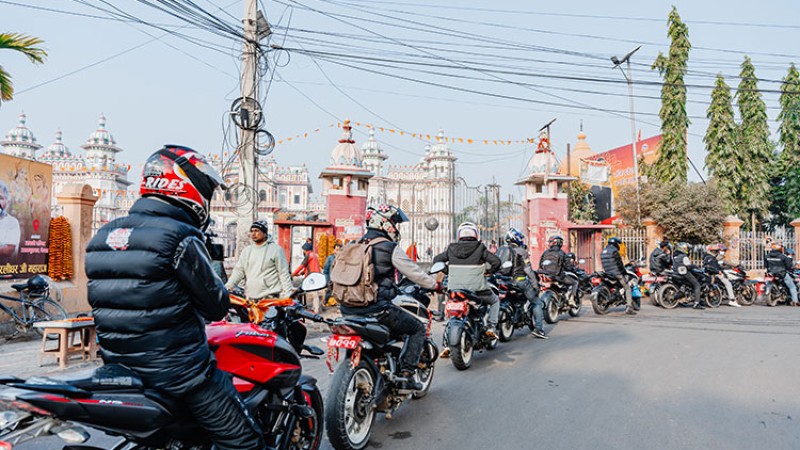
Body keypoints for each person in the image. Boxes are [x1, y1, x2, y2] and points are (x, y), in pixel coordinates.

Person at [85, 145, 266, 450]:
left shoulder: (103, 235)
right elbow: (215, 306)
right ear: (187, 184)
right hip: (178, 372)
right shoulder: (180, 236)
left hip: (117, 367)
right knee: (245, 441)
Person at [338, 204, 440, 390]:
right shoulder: (389, 248)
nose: (396, 228)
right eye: (394, 223)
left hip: (347, 309)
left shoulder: (354, 245)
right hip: (377, 309)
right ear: (385, 224)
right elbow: (414, 273)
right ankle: (407, 375)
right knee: (416, 329)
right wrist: (435, 285)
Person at [434, 222, 502, 339]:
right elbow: (496, 262)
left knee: (451, 310)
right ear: (476, 234)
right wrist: (489, 272)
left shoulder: (451, 248)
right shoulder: (480, 248)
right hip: (478, 290)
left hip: (455, 289)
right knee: (495, 301)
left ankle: (447, 340)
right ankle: (491, 326)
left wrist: (448, 271)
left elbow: (436, 260)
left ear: (459, 234)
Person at [226, 220, 293, 301]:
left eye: (257, 231)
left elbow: (283, 273)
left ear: (265, 233)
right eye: (251, 231)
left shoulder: (276, 250)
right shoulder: (247, 251)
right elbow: (238, 271)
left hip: (270, 298)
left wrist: (287, 295)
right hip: (251, 297)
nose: (253, 234)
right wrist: (228, 287)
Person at [503, 227, 547, 339]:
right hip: (520, 281)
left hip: (504, 282)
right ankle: (539, 329)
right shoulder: (522, 252)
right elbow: (528, 270)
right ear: (515, 238)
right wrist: (535, 285)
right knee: (536, 302)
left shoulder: (502, 250)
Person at [539, 236, 578, 308]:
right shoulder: (562, 253)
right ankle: (571, 300)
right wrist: (572, 269)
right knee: (574, 282)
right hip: (557, 276)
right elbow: (568, 266)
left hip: (546, 276)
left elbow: (540, 264)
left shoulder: (545, 252)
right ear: (559, 243)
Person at [601, 237, 637, 314]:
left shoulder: (603, 251)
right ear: (615, 244)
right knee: (627, 287)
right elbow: (619, 264)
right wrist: (624, 273)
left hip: (607, 273)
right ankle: (629, 307)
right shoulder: (614, 251)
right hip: (616, 273)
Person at [765, 241, 798, 306]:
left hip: (771, 274)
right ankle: (795, 301)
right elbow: (788, 266)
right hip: (782, 274)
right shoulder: (783, 256)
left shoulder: (767, 256)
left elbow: (765, 265)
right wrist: (789, 258)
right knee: (792, 287)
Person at [672, 242, 705, 310]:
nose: (687, 249)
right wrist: (695, 266)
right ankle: (696, 303)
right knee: (697, 285)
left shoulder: (675, 256)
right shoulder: (684, 256)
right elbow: (688, 266)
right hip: (684, 273)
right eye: (686, 248)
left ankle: (683, 297)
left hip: (676, 273)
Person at [292, 241, 322, 313]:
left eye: (303, 250)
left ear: (306, 250)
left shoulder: (309, 255)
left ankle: (316, 310)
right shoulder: (313, 255)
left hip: (312, 277)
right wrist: (301, 273)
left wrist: (292, 274)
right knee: (314, 293)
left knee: (314, 293)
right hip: (315, 275)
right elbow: (307, 267)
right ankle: (314, 308)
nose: (303, 251)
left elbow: (301, 266)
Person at [0, 181, 21, 257]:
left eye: (0, 198)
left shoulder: (12, 222)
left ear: (7, 201)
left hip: (7, 267)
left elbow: (8, 250)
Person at [322, 242, 342, 306]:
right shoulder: (330, 258)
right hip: (331, 278)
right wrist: (327, 279)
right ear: (334, 250)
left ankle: (339, 304)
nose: (337, 251)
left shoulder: (342, 258)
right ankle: (325, 302)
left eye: (339, 250)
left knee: (339, 291)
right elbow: (326, 270)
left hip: (339, 278)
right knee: (329, 290)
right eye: (336, 249)